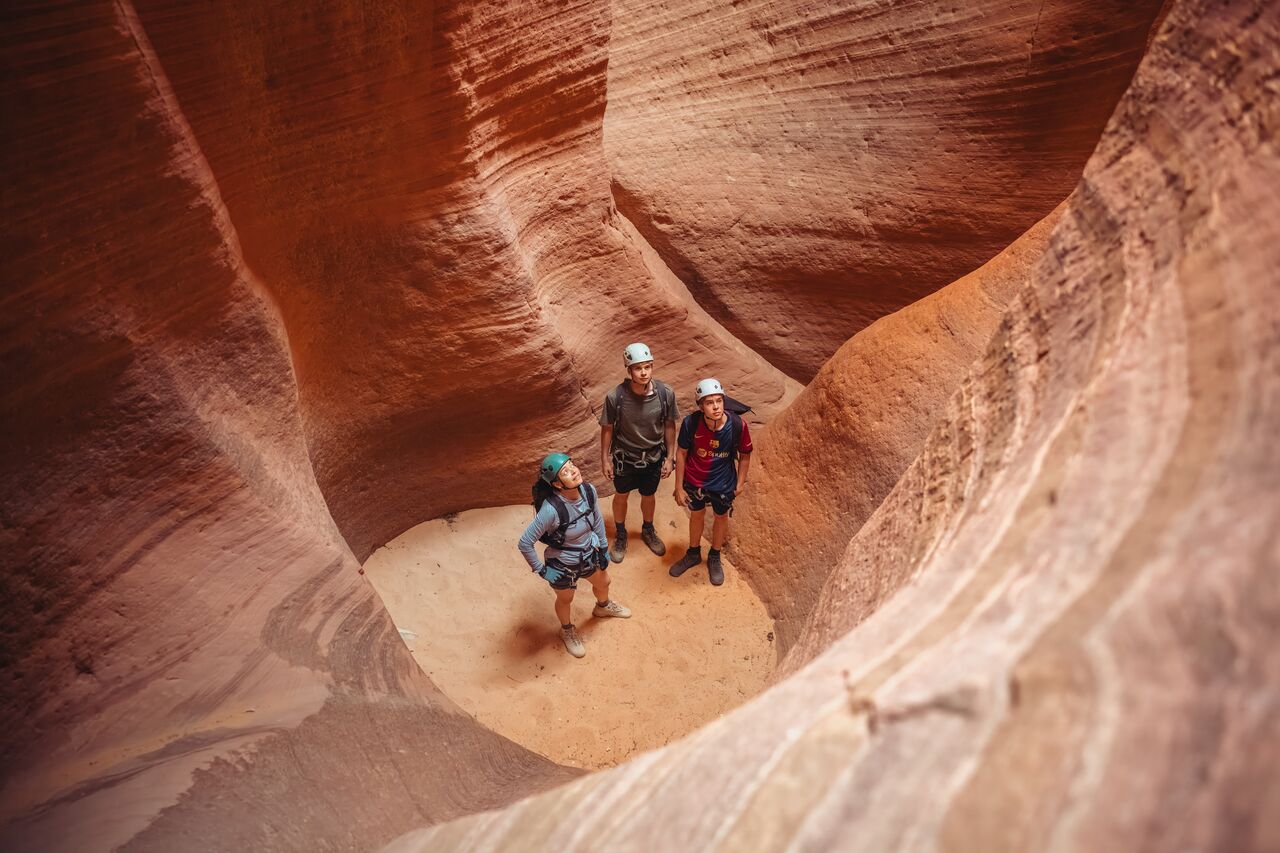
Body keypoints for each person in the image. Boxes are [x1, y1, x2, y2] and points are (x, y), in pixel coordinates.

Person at [518, 453, 631, 657]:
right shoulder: (550, 510)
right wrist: (542, 571)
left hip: (588, 553)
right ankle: (567, 629)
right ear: (558, 484)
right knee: (565, 597)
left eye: (572, 466)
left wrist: (603, 548)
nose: (574, 471)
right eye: (566, 472)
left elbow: (596, 519)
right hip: (561, 564)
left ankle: (602, 607)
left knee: (604, 582)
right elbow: (525, 543)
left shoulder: (588, 491)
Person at [599, 343, 680, 563]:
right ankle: (621, 533)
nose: (643, 372)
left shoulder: (665, 394)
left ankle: (647, 529)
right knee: (621, 495)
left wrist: (670, 458)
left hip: (653, 456)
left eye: (647, 367)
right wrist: (605, 459)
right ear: (629, 370)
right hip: (625, 457)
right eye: (638, 368)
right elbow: (607, 428)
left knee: (648, 495)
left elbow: (669, 425)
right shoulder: (616, 397)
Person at [668, 378, 752, 586]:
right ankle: (694, 552)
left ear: (724, 401)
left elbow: (745, 454)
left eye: (719, 401)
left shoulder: (737, 425)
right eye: (709, 402)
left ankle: (714, 556)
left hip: (723, 483)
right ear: (700, 406)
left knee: (720, 517)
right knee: (696, 515)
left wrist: (740, 483)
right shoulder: (691, 423)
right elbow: (682, 453)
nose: (715, 407)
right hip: (695, 479)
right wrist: (678, 486)